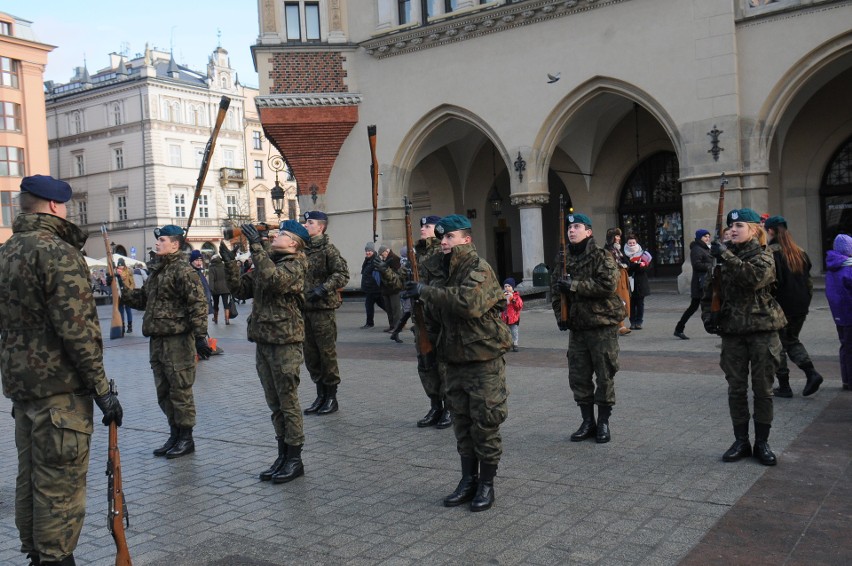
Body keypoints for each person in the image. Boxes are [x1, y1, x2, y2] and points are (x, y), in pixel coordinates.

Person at [0, 175, 123, 566]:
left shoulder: (7, 252)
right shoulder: (58, 252)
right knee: (59, 487)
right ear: (54, 206)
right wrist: (102, 389)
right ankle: (55, 559)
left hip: (24, 390)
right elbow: (78, 332)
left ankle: (37, 555)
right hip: (61, 391)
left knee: (31, 478)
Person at [403, 214, 511, 512]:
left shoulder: (479, 268)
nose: (444, 243)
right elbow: (434, 316)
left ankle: (486, 484)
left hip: (482, 358)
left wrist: (426, 292)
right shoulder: (436, 270)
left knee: (485, 422)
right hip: (452, 358)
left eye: (450, 237)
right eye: (441, 238)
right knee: (461, 423)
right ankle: (468, 480)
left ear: (466, 239)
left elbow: (469, 304)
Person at [220, 221, 310, 483]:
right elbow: (240, 290)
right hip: (264, 340)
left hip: (285, 342)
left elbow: (274, 281)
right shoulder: (267, 259)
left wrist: (257, 247)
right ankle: (282, 455)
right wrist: (229, 263)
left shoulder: (296, 264)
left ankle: (295, 458)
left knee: (288, 402)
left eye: (282, 234)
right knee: (275, 404)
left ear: (294, 243)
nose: (276, 235)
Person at [701, 208, 786, 466]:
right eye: (730, 226)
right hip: (733, 332)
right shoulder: (720, 258)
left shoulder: (764, 254)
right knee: (736, 389)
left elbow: (753, 278)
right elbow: (709, 291)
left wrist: (725, 255)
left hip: (762, 330)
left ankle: (762, 442)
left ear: (754, 229)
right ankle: (741, 440)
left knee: (763, 390)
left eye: (738, 225)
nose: (732, 230)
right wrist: (708, 317)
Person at [121, 224, 212, 458]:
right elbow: (143, 300)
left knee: (180, 389)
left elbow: (198, 304)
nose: (157, 243)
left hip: (178, 340)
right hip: (158, 339)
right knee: (164, 390)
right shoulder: (158, 271)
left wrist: (201, 336)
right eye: (158, 240)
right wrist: (124, 287)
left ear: (175, 244)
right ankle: (174, 433)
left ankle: (186, 437)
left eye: (162, 240)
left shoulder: (184, 270)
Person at [551, 212, 624, 444]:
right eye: (569, 228)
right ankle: (587, 421)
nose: (571, 231)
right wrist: (560, 316)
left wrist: (573, 285)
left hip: (601, 325)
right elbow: (555, 290)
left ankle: (603, 422)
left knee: (604, 375)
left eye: (577, 227)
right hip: (578, 328)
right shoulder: (563, 260)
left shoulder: (602, 256)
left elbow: (607, 285)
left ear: (589, 232)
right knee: (579, 376)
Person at [764, 216, 823, 397]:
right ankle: (811, 373)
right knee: (791, 340)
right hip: (800, 305)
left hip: (781, 307)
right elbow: (809, 282)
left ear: (771, 231)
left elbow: (769, 283)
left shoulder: (771, 253)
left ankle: (785, 385)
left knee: (778, 345)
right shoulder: (799, 251)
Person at [301, 211, 350, 415]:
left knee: (326, 354)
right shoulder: (302, 250)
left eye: (310, 222)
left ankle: (331, 397)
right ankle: (320, 394)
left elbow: (342, 274)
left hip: (323, 310)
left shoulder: (328, 250)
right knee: (311, 355)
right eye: (305, 222)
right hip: (305, 309)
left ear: (320, 227)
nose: (305, 225)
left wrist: (323, 289)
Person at [413, 214, 452, 429]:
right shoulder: (417, 254)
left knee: (443, 365)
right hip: (421, 318)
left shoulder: (442, 251)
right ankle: (435, 405)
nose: (422, 229)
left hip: (439, 317)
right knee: (426, 365)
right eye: (422, 226)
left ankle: (449, 408)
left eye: (427, 226)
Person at [674, 229, 713, 339]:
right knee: (694, 307)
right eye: (705, 236)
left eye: (708, 236)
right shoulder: (697, 249)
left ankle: (679, 328)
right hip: (700, 284)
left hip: (706, 282)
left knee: (699, 306)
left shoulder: (705, 248)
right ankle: (679, 328)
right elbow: (696, 265)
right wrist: (711, 266)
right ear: (699, 237)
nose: (707, 238)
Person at [826, 234, 852, 391]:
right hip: (849, 314)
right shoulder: (847, 268)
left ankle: (847, 380)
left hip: (840, 315)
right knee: (850, 348)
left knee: (845, 346)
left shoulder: (833, 266)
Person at [605, 227, 631, 336]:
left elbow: (624, 261)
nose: (619, 238)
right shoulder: (608, 251)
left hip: (622, 277)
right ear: (612, 237)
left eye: (619, 236)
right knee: (618, 301)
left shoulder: (618, 249)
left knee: (623, 300)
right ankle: (621, 326)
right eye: (616, 236)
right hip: (614, 278)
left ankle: (618, 324)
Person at [624, 235, 652, 330]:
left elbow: (647, 268)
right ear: (627, 244)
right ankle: (632, 322)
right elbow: (626, 268)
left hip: (641, 282)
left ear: (636, 243)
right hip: (629, 282)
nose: (631, 244)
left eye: (633, 243)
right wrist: (636, 265)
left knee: (640, 303)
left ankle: (639, 322)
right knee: (631, 304)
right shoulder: (623, 254)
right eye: (630, 243)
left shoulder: (643, 253)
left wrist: (638, 266)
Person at [389, 245, 412, 343]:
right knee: (407, 313)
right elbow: (401, 277)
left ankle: (396, 332)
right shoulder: (405, 263)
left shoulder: (405, 262)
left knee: (408, 313)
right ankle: (396, 332)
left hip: (408, 291)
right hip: (407, 291)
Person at [377, 244, 403, 332]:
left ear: (387, 251)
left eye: (382, 254)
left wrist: (385, 268)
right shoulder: (385, 260)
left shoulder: (395, 259)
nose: (381, 256)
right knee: (389, 309)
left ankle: (397, 327)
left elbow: (396, 274)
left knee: (395, 309)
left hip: (394, 288)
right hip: (386, 288)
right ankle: (392, 325)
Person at [360, 242, 386, 329]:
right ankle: (397, 318)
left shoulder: (375, 260)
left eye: (369, 251)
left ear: (373, 251)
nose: (368, 252)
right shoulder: (368, 260)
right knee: (383, 305)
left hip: (374, 289)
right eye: (366, 251)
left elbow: (378, 275)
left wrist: (377, 286)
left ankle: (370, 323)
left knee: (370, 306)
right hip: (370, 289)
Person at [207, 254, 232, 325]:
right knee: (225, 303)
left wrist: (210, 289)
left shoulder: (211, 267)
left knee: (216, 304)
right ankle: (227, 320)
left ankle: (215, 319)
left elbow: (211, 280)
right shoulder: (223, 265)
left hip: (216, 289)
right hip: (225, 287)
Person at [501, 278, 524, 352]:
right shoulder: (503, 295)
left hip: (514, 318)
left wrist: (513, 300)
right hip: (505, 317)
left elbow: (519, 306)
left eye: (509, 286)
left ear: (512, 287)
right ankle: (507, 344)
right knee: (505, 331)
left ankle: (515, 343)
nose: (507, 288)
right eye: (505, 286)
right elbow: (500, 306)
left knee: (514, 331)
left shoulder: (516, 296)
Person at [189, 249, 214, 317]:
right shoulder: (190, 273)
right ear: (191, 261)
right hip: (196, 309)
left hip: (203, 308)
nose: (199, 263)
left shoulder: (199, 272)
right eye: (196, 260)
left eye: (200, 260)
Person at [115, 258, 136, 334]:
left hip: (127, 293)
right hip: (119, 294)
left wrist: (130, 290)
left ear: (124, 266)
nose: (120, 267)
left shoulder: (128, 272)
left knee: (128, 310)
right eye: (119, 266)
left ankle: (130, 326)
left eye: (121, 266)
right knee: (121, 311)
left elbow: (132, 283)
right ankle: (122, 327)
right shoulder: (115, 272)